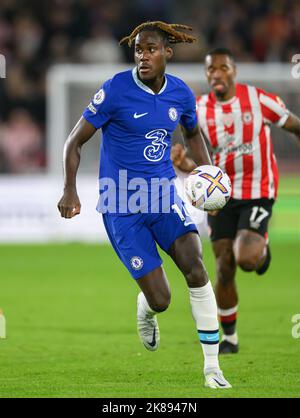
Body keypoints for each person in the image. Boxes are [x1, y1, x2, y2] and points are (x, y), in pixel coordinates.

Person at [57, 22, 231, 389]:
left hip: (164, 197)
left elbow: (193, 134)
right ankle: (146, 308)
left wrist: (208, 178)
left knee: (196, 268)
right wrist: (70, 190)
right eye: (138, 50)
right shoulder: (116, 89)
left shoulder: (180, 94)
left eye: (151, 49)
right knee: (162, 299)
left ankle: (213, 368)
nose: (143, 56)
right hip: (122, 205)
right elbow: (74, 142)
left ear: (167, 52)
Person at [172, 47, 300, 354]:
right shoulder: (199, 109)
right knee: (224, 265)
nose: (216, 74)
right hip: (220, 197)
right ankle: (229, 337)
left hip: (258, 190)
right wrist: (186, 163)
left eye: (222, 68)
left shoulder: (258, 100)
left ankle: (261, 251)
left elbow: (296, 126)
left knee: (245, 257)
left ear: (234, 71)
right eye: (210, 70)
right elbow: (198, 158)